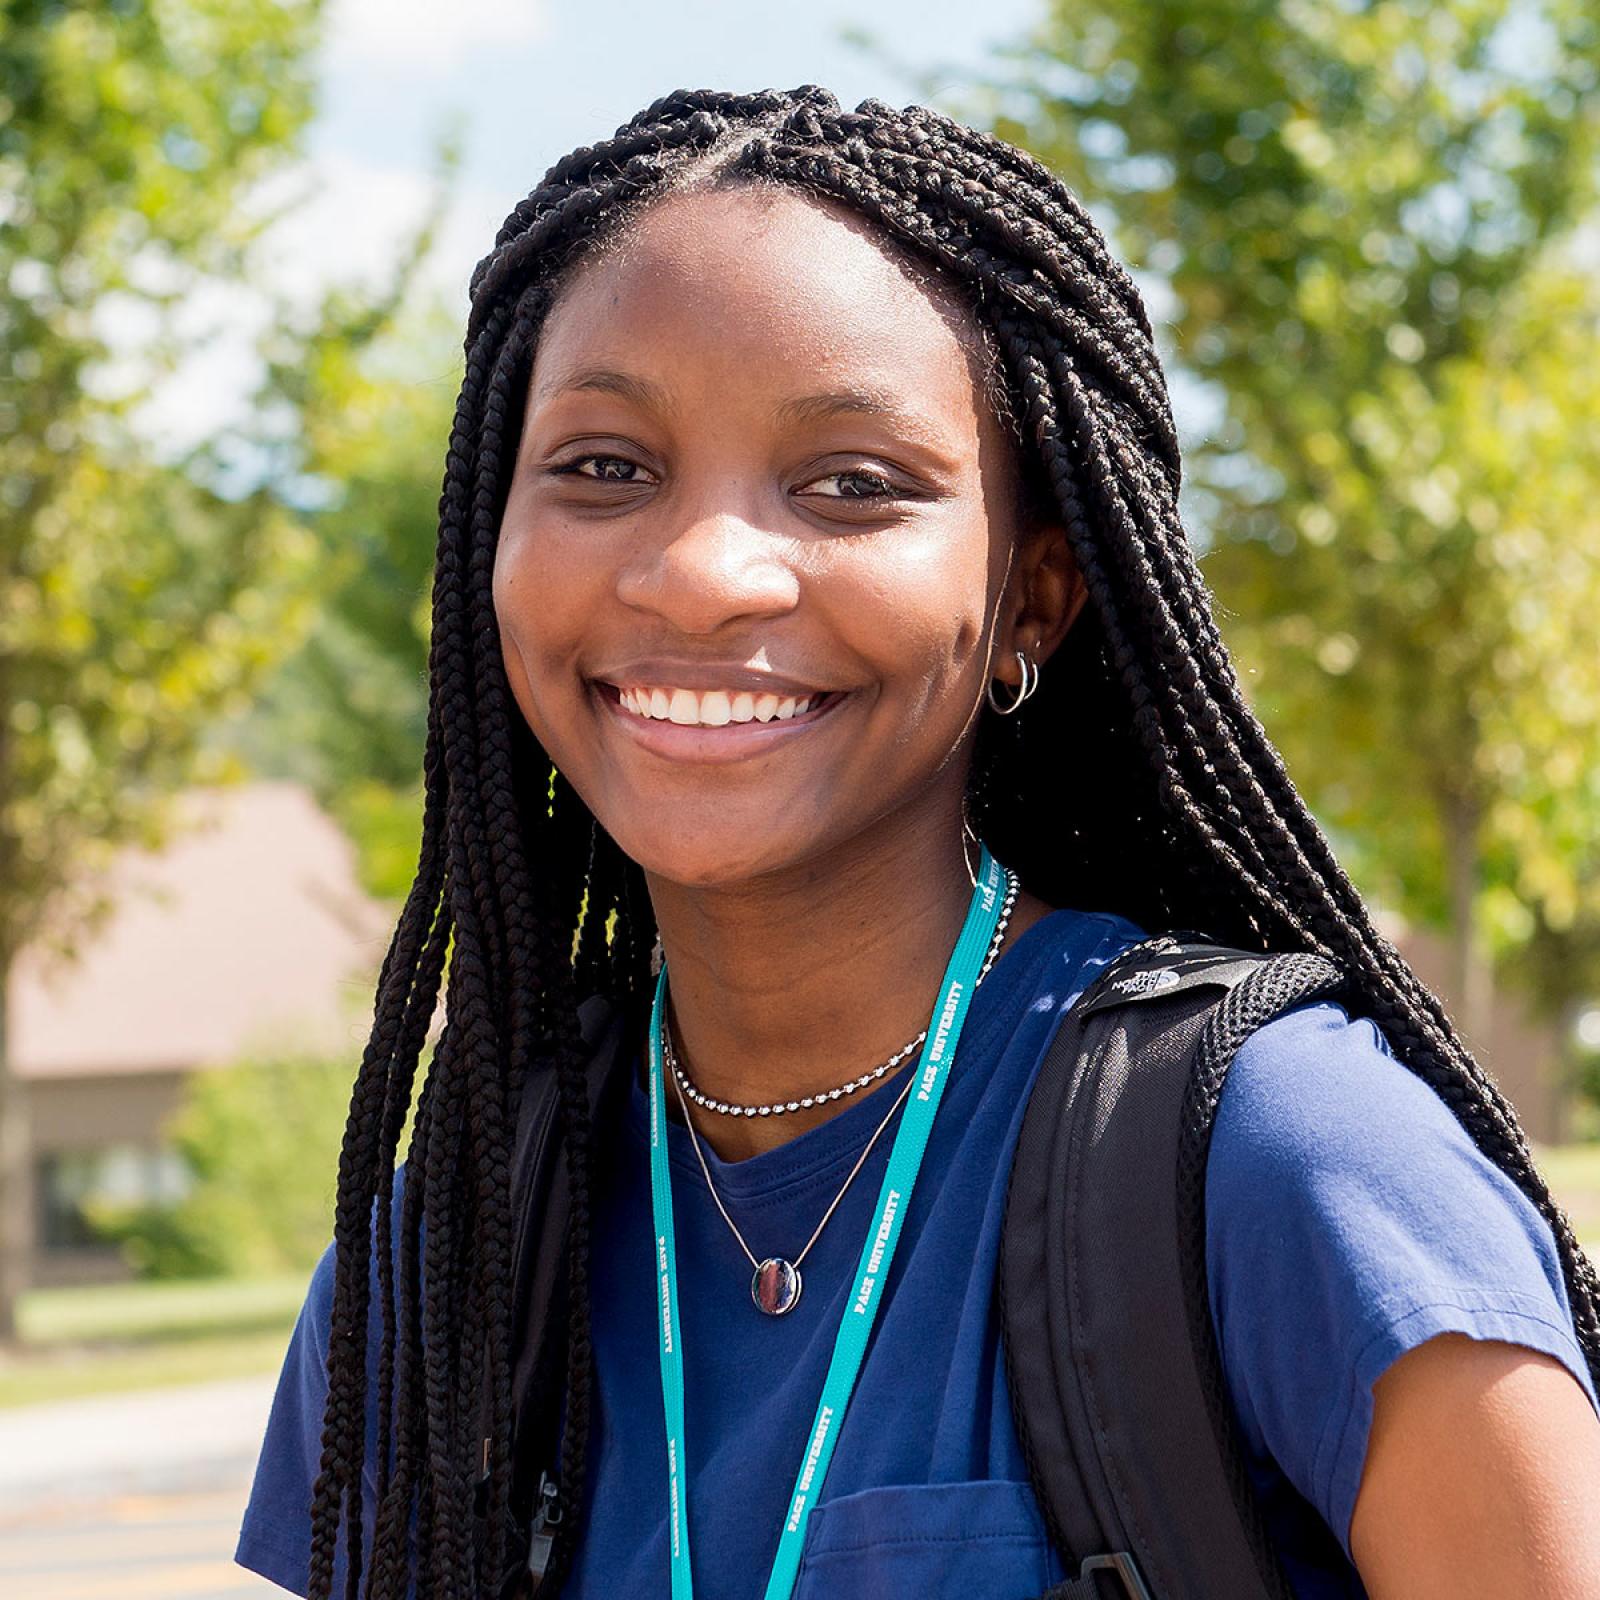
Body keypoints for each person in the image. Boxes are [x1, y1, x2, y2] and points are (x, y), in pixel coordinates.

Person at [234, 86, 1600, 1600]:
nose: (700, 575)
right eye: (607, 467)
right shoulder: (458, 1241)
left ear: (1035, 597)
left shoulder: (1281, 1152)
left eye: (853, 486)